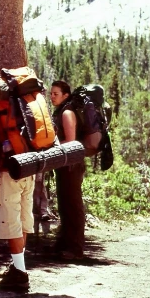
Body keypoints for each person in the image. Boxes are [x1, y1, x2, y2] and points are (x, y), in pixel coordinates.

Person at [0, 92, 35, 291]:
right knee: (22, 219)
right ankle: (17, 267)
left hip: (8, 174)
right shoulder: (26, 110)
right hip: (30, 171)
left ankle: (20, 275)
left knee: (11, 222)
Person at [50, 80, 87, 261]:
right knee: (64, 204)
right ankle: (65, 243)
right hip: (64, 164)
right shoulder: (61, 111)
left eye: (56, 94)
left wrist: (50, 148)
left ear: (65, 95)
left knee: (73, 205)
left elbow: (71, 141)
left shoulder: (66, 112)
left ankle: (76, 247)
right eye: (51, 94)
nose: (52, 97)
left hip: (72, 164)